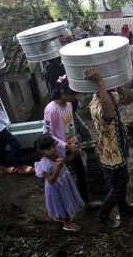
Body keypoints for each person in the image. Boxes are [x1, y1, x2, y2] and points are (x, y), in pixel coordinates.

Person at [85, 67, 133, 229]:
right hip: (111, 154)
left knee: (124, 180)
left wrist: (118, 79)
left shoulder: (108, 95)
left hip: (119, 149)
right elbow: (108, 115)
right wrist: (101, 81)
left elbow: (120, 97)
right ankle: (103, 215)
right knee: (117, 187)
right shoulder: (95, 105)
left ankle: (123, 207)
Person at [43, 75, 93, 205]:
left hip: (72, 147)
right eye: (72, 94)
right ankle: (67, 205)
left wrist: (76, 142)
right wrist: (66, 146)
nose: (74, 97)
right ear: (63, 92)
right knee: (63, 178)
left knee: (81, 173)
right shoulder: (51, 110)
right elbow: (48, 134)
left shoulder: (69, 104)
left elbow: (70, 125)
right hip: (59, 151)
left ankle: (85, 202)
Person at [34, 134, 84, 231]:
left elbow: (68, 160)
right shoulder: (44, 164)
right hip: (56, 188)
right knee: (62, 203)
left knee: (68, 198)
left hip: (65, 181)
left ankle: (62, 216)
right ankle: (67, 223)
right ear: (41, 151)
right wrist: (58, 168)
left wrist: (74, 153)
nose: (52, 150)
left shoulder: (59, 153)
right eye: (48, 149)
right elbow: (51, 181)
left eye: (53, 146)